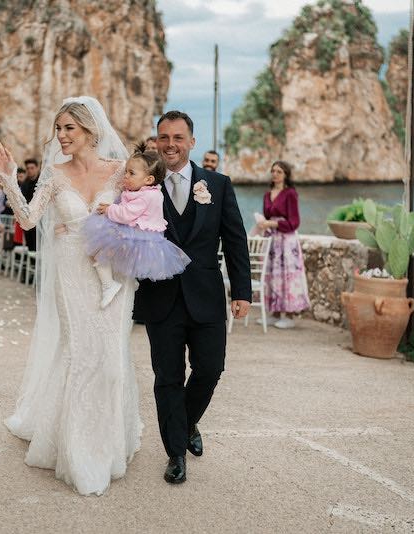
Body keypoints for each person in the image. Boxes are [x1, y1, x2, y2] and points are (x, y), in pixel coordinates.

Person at [0, 96, 141, 496]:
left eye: (69, 128)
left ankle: (110, 443)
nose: (61, 136)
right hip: (71, 271)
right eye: (58, 129)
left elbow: (142, 215)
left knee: (109, 359)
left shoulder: (120, 171)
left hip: (114, 275)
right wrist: (7, 175)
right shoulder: (54, 174)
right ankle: (78, 451)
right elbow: (28, 219)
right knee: (80, 354)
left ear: (91, 130)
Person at [134, 111, 251, 484]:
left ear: (191, 141)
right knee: (167, 377)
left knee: (210, 369)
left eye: (178, 137)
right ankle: (175, 454)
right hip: (160, 297)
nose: (170, 144)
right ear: (156, 141)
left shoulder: (218, 184)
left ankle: (186, 423)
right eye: (163, 137)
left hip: (206, 295)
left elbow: (235, 240)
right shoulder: (142, 186)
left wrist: (242, 291)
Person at [84, 143, 190, 308]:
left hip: (139, 238)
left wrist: (109, 209)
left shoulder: (146, 196)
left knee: (100, 250)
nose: (125, 176)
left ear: (148, 179)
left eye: (131, 173)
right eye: (126, 171)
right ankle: (129, 282)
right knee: (110, 254)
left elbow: (126, 214)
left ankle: (108, 285)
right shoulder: (144, 191)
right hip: (139, 237)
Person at [255, 160, 310, 329]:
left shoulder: (290, 193)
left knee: (287, 275)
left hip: (286, 241)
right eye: (273, 171)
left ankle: (291, 315)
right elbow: (267, 216)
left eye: (279, 171)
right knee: (273, 275)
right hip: (272, 241)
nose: (275, 174)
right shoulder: (267, 194)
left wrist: (271, 224)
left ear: (286, 174)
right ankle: (276, 312)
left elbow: (294, 222)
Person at [19, 158, 39, 251]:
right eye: (28, 168)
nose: (30, 170)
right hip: (27, 220)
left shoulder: (41, 182)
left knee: (38, 248)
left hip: (40, 221)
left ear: (37, 168)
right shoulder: (24, 184)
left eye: (32, 168)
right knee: (30, 248)